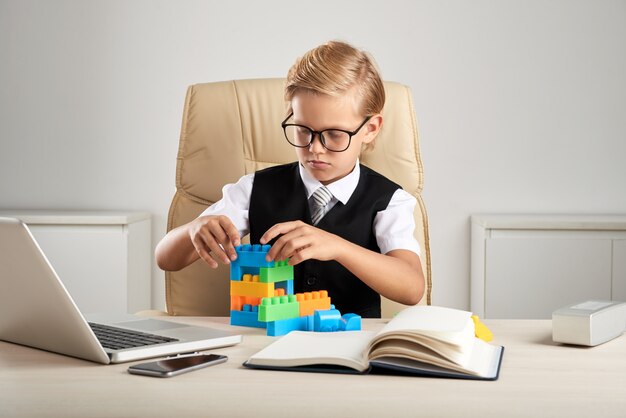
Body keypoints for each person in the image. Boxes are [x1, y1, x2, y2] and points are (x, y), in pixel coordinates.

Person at [155, 40, 425, 317]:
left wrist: (338, 247)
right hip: (267, 342)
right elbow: (165, 258)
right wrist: (193, 230)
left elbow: (412, 288)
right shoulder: (254, 188)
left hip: (348, 346)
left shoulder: (388, 200)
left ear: (369, 129)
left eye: (334, 134)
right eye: (303, 130)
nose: (315, 148)